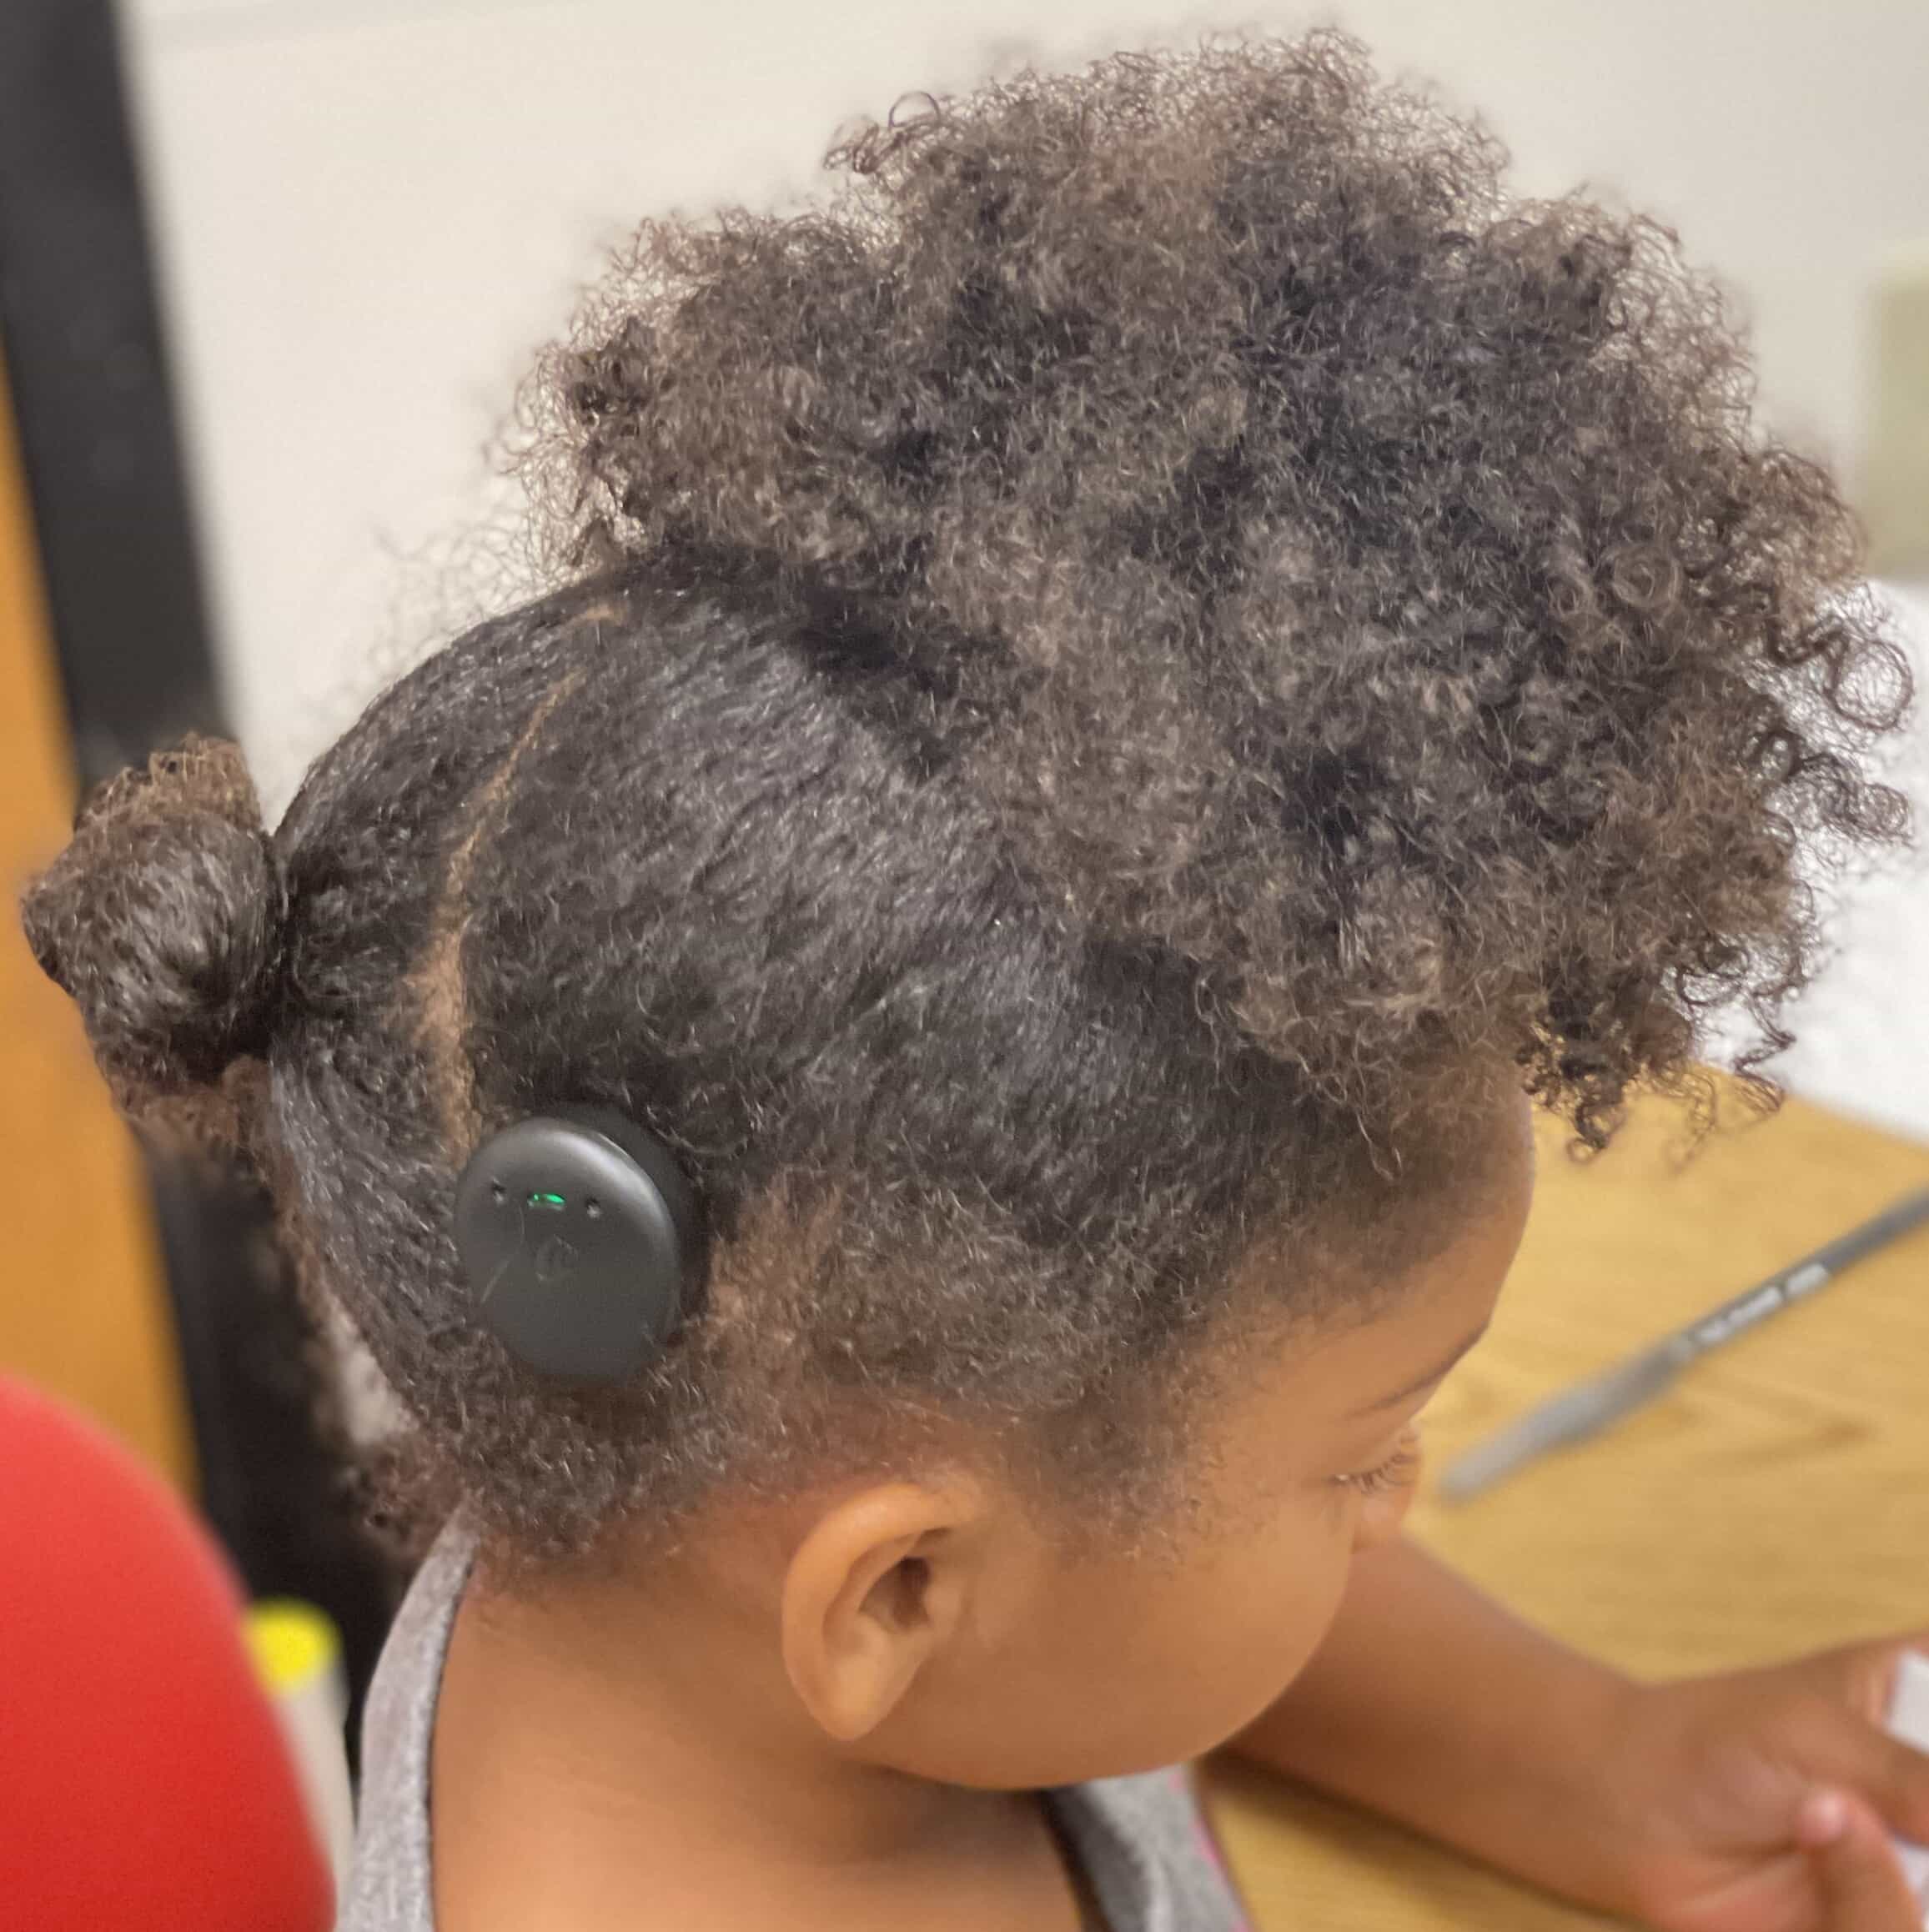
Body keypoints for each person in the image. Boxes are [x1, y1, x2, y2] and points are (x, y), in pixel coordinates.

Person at [22, 30, 1929, 1932]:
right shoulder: (897, 1535)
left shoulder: (717, 1534)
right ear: (898, 1592)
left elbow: (1114, 1542)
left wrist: (1599, 1759)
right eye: (1359, 1457)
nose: (1398, 1507)